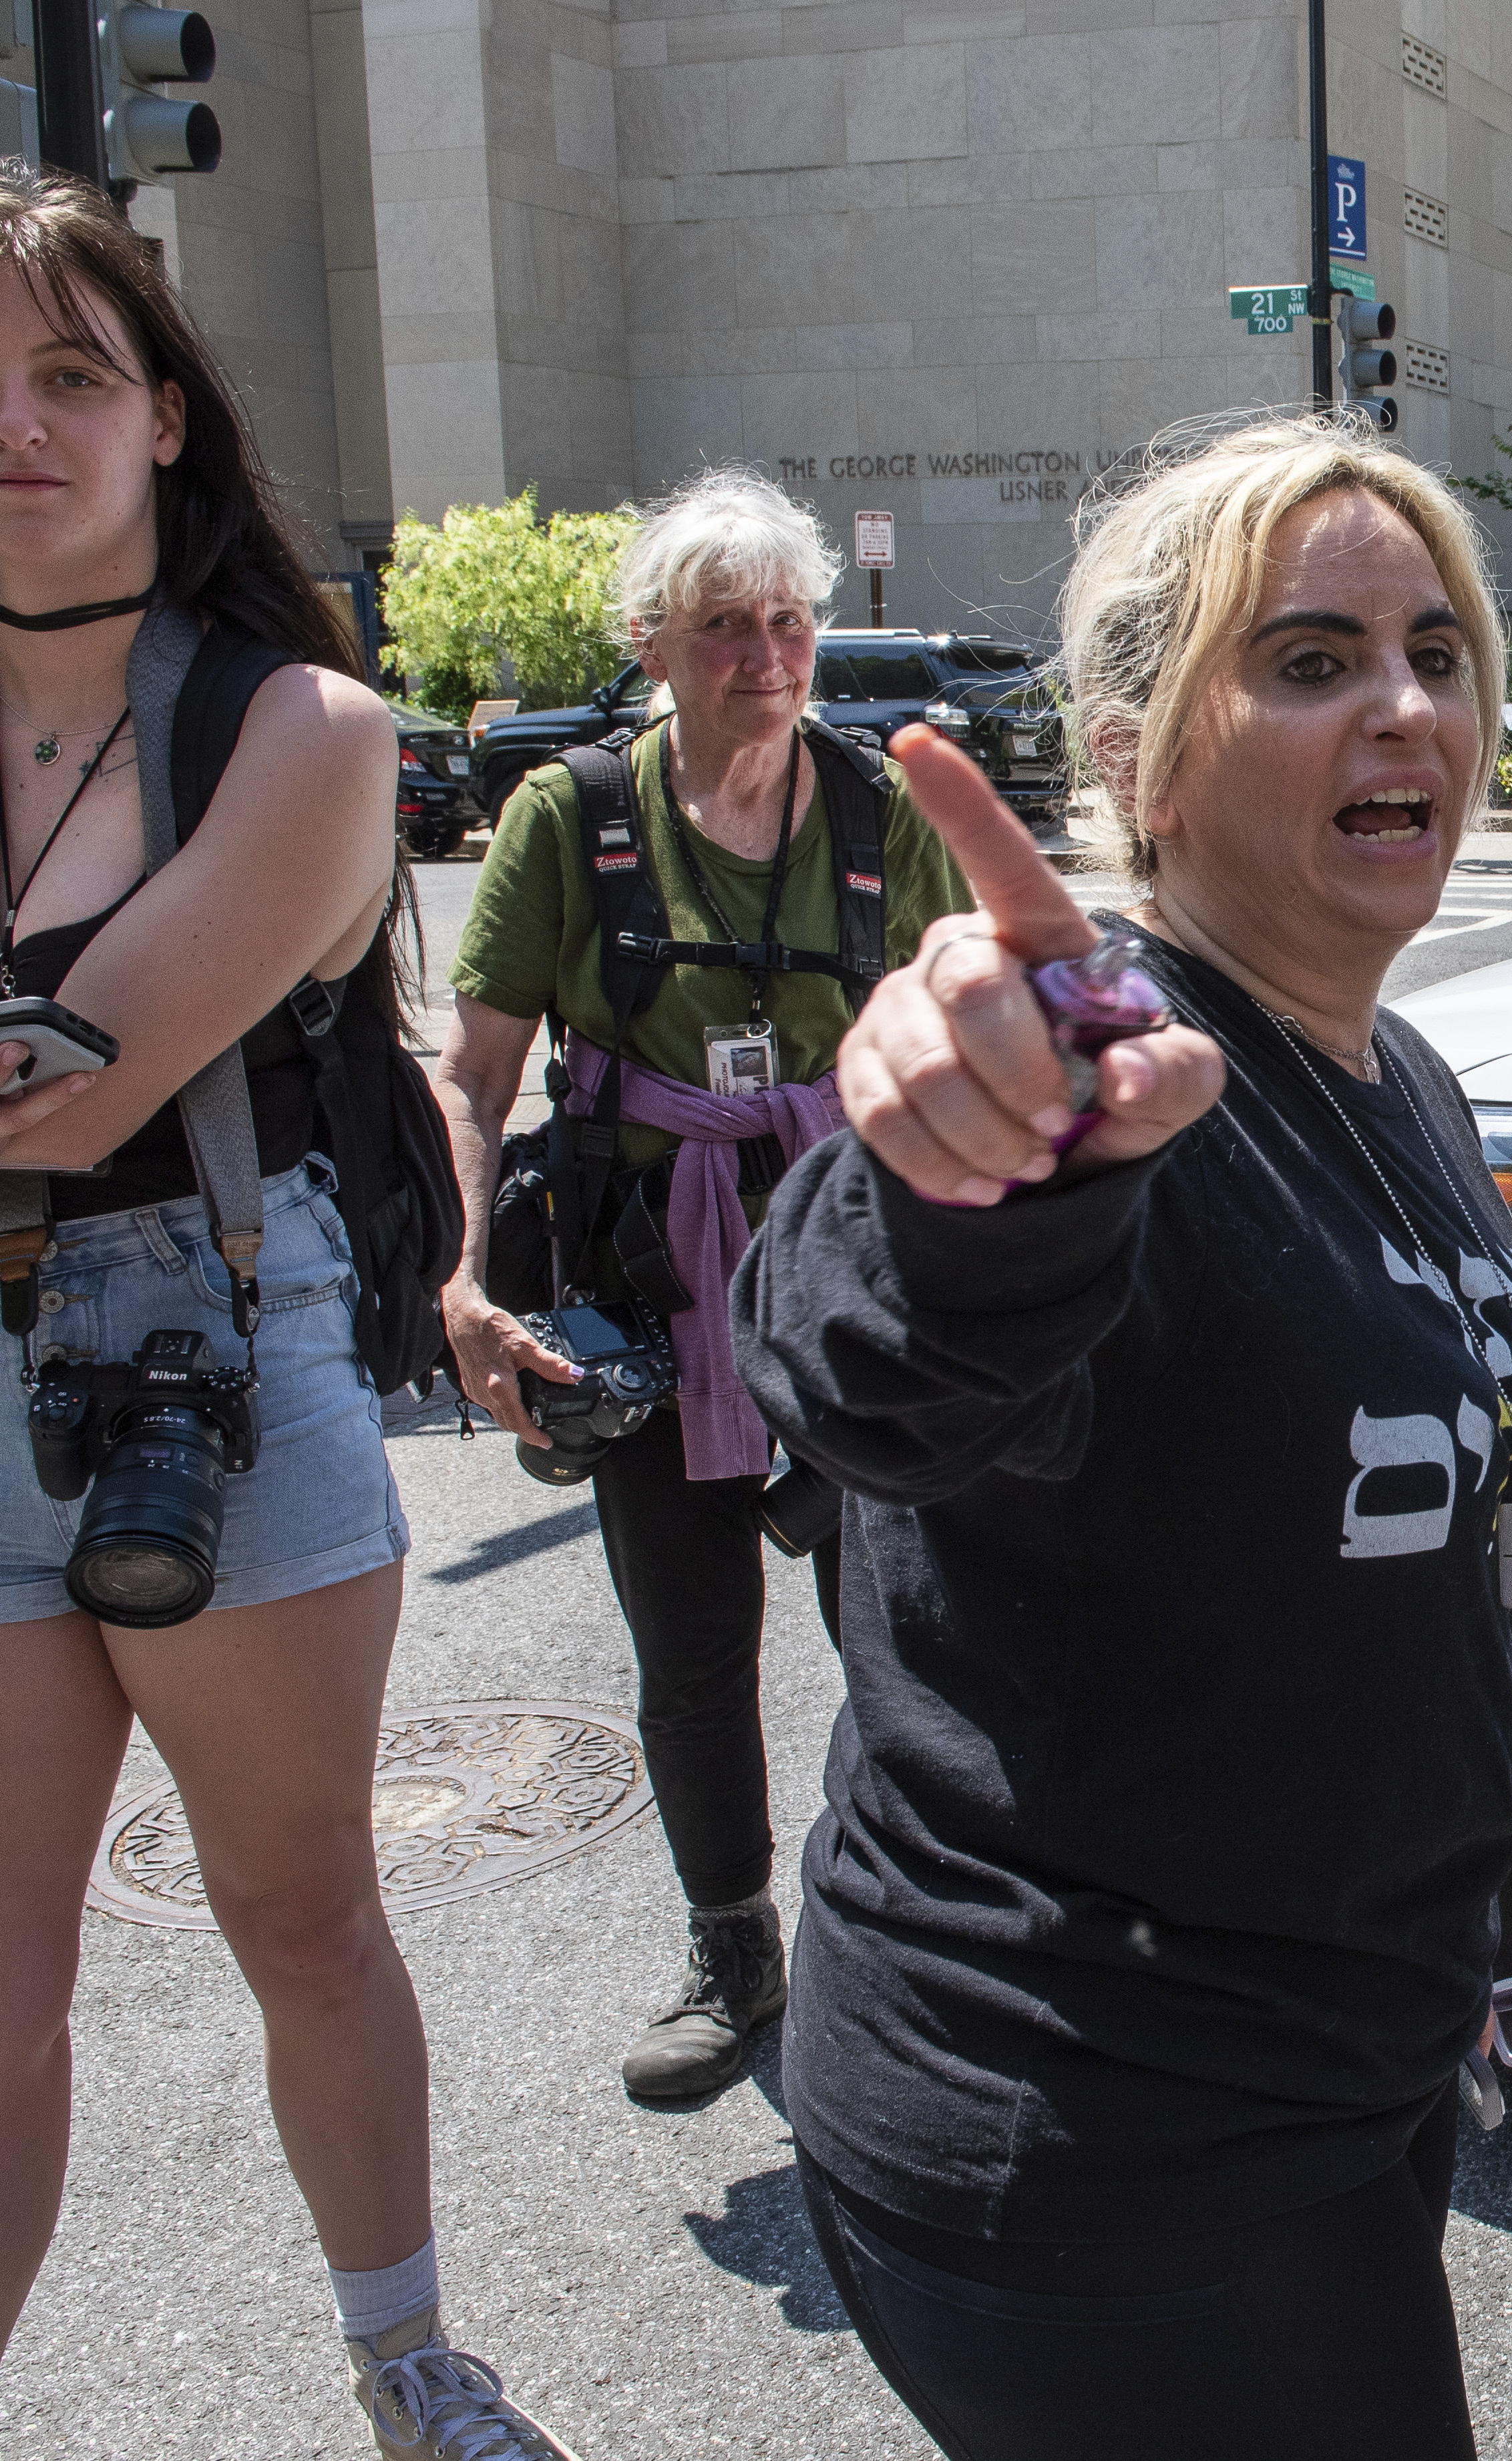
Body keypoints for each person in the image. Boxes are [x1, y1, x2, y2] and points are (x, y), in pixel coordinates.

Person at [731, 414, 1512, 2458]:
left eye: (1434, 649)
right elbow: (874, 1369)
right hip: (1105, 2140)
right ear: (1132, 751)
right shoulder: (1100, 1072)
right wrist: (972, 1166)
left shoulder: (1401, 1068)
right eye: (1306, 661)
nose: (1402, 704)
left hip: (1342, 2061)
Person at [0, 164, 582, 2458]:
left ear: (164, 419)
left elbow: (79, 1090)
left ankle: (410, 2363)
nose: (19, 424)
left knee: (302, 1910)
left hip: (212, 1340)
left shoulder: (302, 727)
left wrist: (56, 1065)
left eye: (66, 373)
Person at [429, 469, 970, 2106]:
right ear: (654, 645)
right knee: (688, 1642)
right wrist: (457, 1278)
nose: (766, 653)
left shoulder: (884, 813)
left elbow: (976, 1025)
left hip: (855, 1267)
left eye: (789, 621)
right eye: (724, 626)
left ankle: (912, 1947)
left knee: (907, 1635)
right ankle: (735, 1949)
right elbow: (471, 1070)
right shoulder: (572, 813)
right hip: (644, 1278)